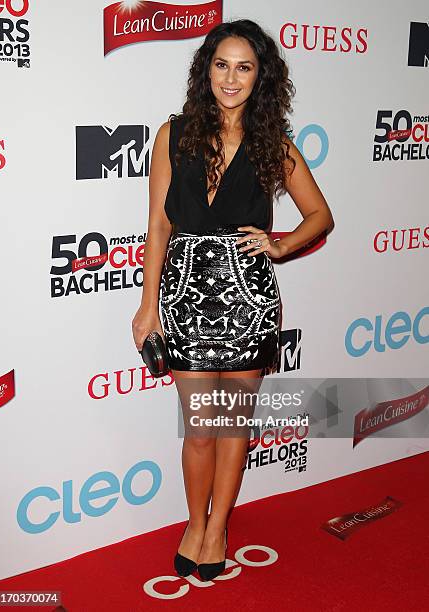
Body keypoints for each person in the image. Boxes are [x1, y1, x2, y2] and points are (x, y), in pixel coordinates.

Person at [132, 19, 333, 581]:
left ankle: (219, 527)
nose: (231, 77)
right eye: (222, 64)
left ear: (259, 76)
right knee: (201, 425)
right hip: (183, 296)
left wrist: (282, 243)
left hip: (249, 296)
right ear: (206, 69)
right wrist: (148, 307)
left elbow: (321, 215)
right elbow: (156, 226)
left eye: (244, 67)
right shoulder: (173, 135)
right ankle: (194, 523)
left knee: (233, 424)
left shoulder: (274, 145)